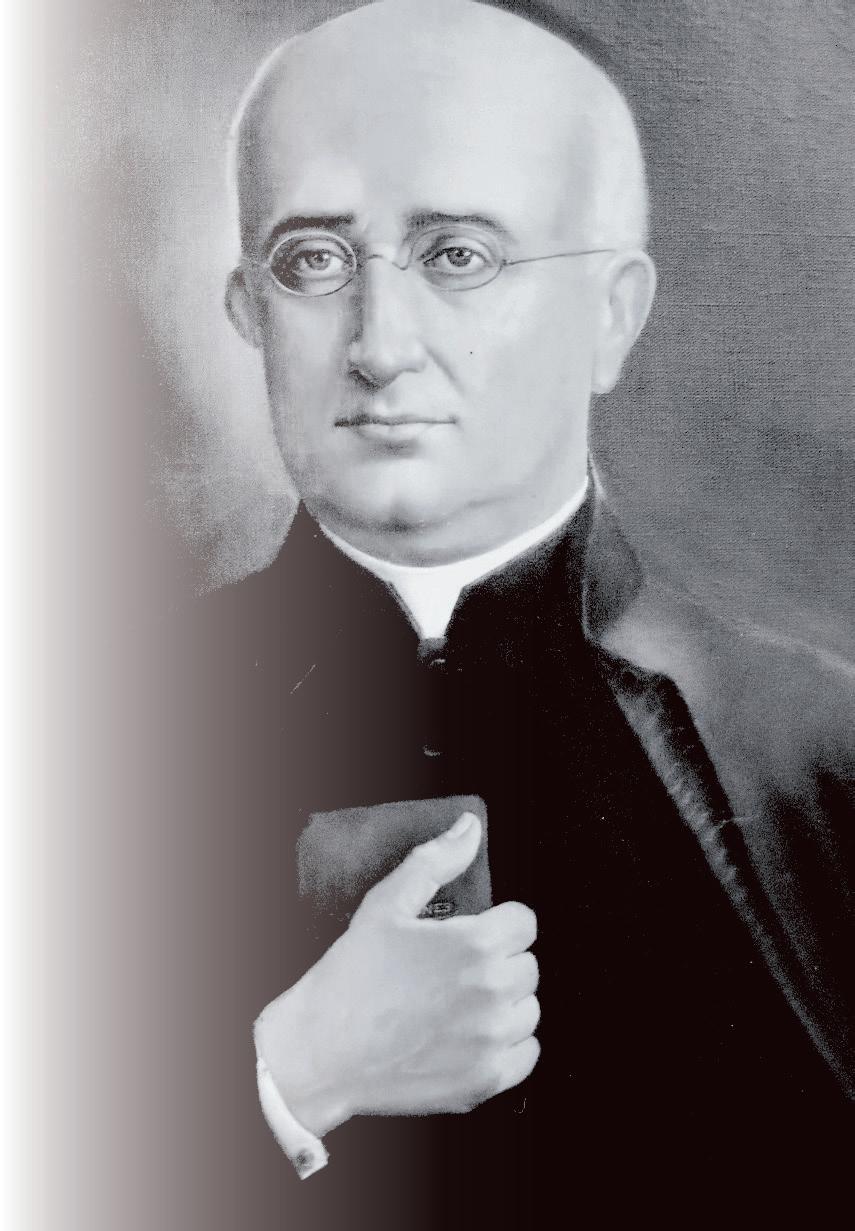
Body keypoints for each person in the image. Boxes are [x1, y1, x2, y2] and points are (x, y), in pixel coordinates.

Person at [200, 0, 852, 1215]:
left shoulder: (817, 749)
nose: (380, 344)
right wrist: (288, 1077)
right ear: (249, 309)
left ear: (612, 315)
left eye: (459, 256)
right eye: (315, 261)